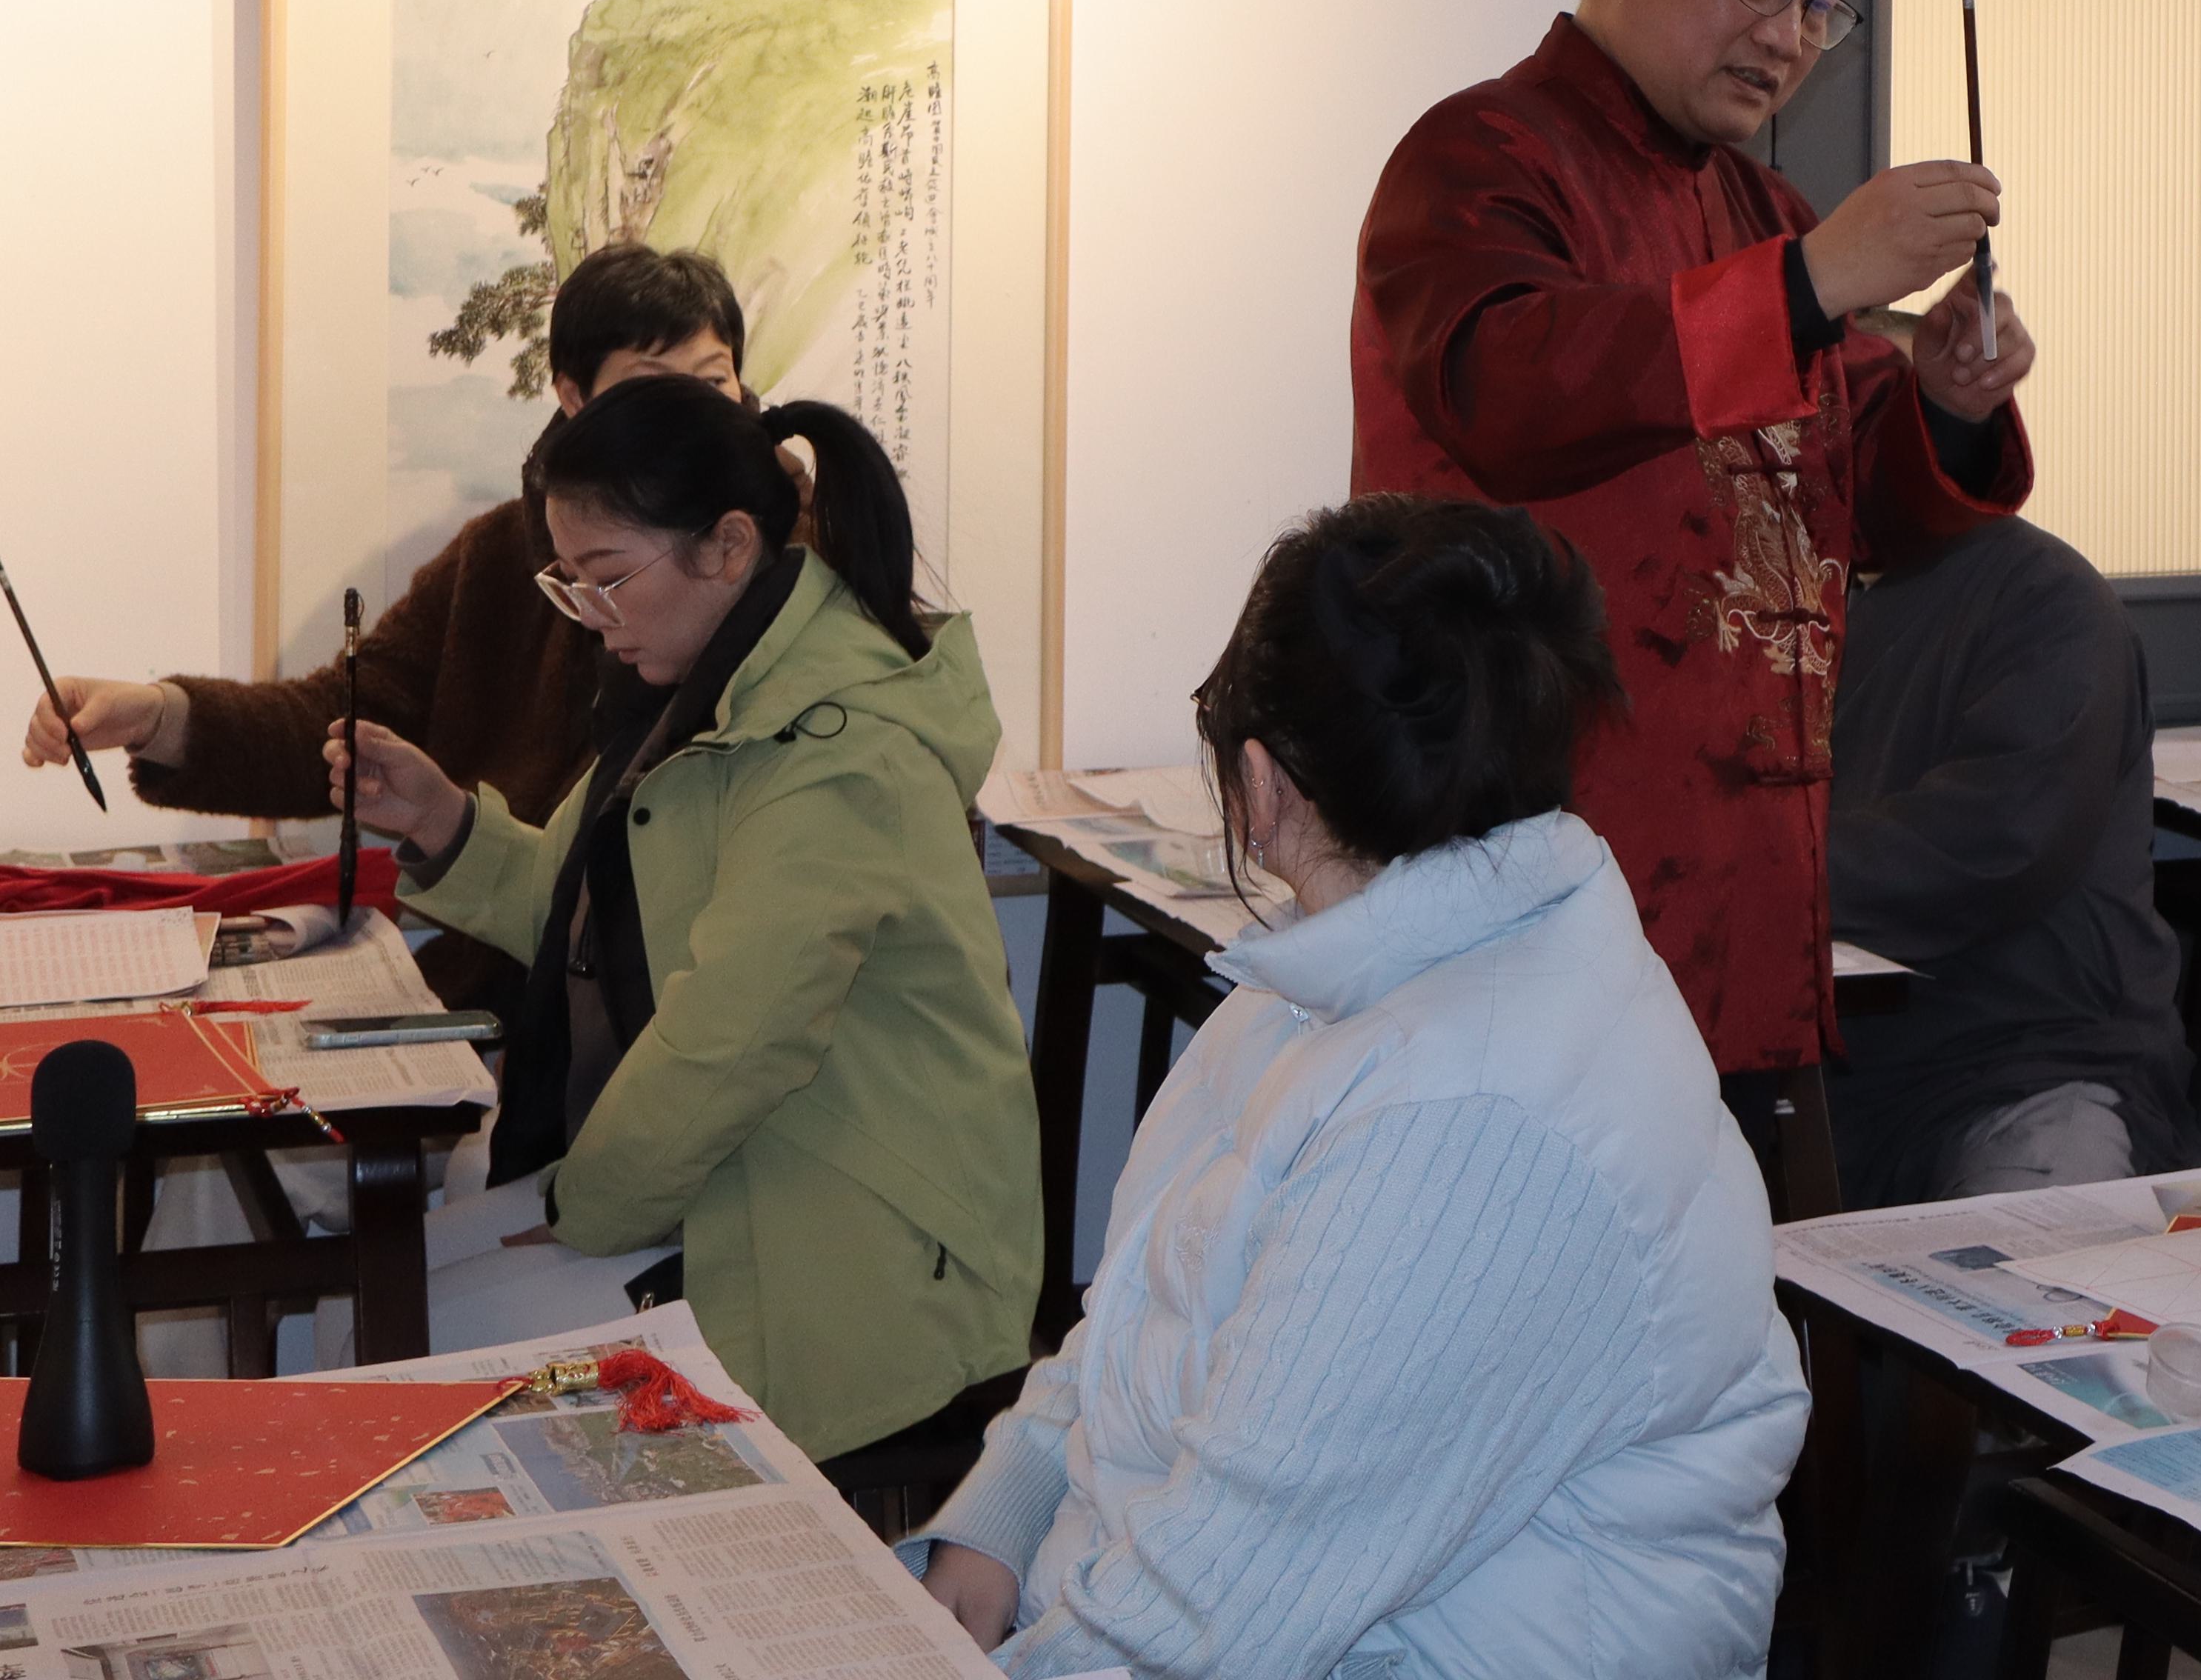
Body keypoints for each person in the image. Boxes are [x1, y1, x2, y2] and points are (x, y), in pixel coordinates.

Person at [910, 499, 1805, 1679]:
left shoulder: (1474, 1118)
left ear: (1261, 784)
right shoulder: (1338, 971)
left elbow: (1218, 1615)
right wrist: (1000, 1517)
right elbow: (1134, 1312)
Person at [1348, 0, 2036, 1082]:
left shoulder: (1763, 210)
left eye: (1819, 4)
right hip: (1531, 848)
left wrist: (1947, 400)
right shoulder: (1480, 154)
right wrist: (1810, 282)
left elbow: (1859, 497)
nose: (1788, 35)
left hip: (1752, 873)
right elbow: (1510, 388)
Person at [335, 374, 1040, 1467]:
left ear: (728, 546)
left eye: (609, 578)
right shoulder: (704, 694)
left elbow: (734, 1040)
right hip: (734, 1174)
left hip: (857, 1244)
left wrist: (580, 1205)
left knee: (390, 1368)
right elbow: (581, 915)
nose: (592, 616)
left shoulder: (836, 745)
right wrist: (440, 820)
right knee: (361, 1313)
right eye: (571, 584)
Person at [25, 244, 750, 1006]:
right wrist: (157, 716)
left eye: (713, 382)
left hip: (671, 1002)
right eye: (650, 387)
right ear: (574, 395)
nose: (691, 417)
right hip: (506, 1000)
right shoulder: (499, 557)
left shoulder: (781, 571)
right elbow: (344, 721)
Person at [1825, 493, 2195, 1206]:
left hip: (2032, 1065)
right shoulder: (1807, 608)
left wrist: (1762, 870)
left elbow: (1997, 842)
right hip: (1854, 1075)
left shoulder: (2051, 603)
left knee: (2034, 1264)